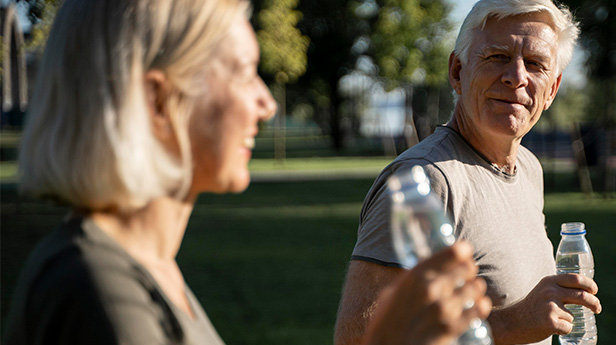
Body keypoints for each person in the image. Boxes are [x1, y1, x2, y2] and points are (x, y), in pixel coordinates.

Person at [3, 0, 490, 344]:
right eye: (242, 72)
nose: (263, 103)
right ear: (157, 101)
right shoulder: (95, 290)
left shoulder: (149, 267)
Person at [334, 1, 602, 345]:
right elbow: (358, 338)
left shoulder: (529, 168)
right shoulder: (425, 180)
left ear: (551, 90)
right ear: (457, 71)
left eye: (535, 64)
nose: (516, 77)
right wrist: (508, 325)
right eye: (497, 57)